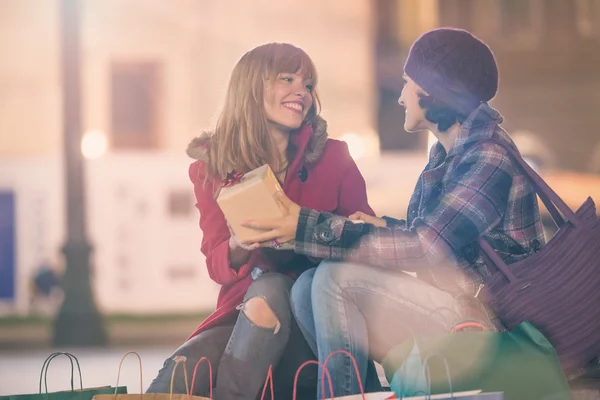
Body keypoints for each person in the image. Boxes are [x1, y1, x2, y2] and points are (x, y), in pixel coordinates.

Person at [241, 29, 546, 398]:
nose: (400, 97)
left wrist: (305, 224)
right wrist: (384, 225)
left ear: (434, 89)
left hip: (494, 322)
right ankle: (360, 392)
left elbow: (427, 248)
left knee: (334, 279)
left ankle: (343, 394)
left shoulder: (488, 156)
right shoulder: (448, 153)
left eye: (406, 83)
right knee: (307, 286)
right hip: (459, 303)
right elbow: (442, 235)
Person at [146, 43, 376, 400]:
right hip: (242, 313)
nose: (302, 91)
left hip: (310, 311)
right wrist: (238, 245)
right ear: (252, 87)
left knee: (270, 288)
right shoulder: (213, 166)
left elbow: (364, 242)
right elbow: (216, 264)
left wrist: (310, 233)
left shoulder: (335, 156)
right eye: (288, 78)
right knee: (186, 368)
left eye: (308, 83)